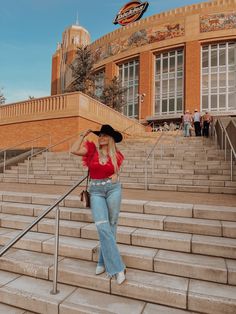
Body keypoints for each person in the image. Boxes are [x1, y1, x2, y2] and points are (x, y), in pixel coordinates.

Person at [70, 124, 126, 284]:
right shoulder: (92, 151)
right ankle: (118, 267)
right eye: (100, 135)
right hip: (95, 191)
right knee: (102, 226)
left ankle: (102, 261)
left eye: (104, 135)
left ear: (110, 139)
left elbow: (115, 170)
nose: (101, 138)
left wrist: (115, 175)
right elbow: (73, 150)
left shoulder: (118, 155)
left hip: (113, 190)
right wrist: (82, 135)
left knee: (111, 226)